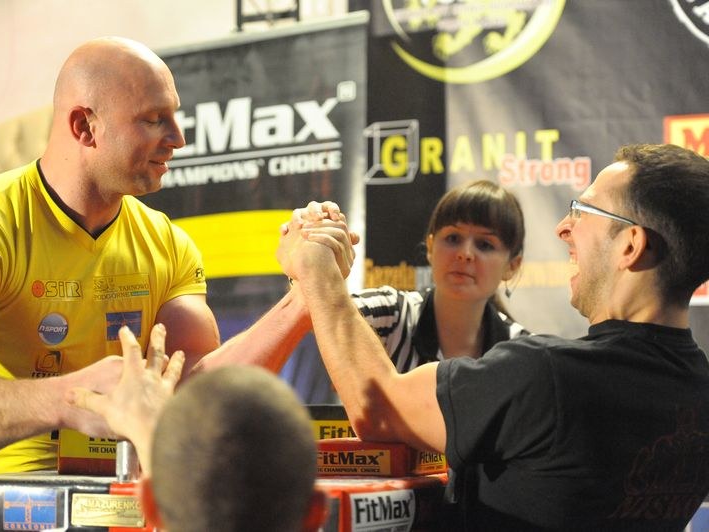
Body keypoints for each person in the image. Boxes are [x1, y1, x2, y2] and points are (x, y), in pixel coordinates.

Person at [0, 36, 315, 477]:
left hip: (122, 494)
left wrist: (306, 298)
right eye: (154, 120)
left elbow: (200, 394)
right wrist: (70, 399)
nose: (178, 139)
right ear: (85, 126)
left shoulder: (166, 242)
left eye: (174, 116)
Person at [278, 143, 709, 531]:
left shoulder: (546, 375)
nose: (564, 227)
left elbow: (380, 407)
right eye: (452, 238)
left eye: (584, 210)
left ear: (630, 245)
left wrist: (316, 266)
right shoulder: (699, 390)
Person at [70, 324, 327, 532]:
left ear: (149, 504)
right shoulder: (311, 510)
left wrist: (150, 432)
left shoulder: (156, 497)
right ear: (316, 512)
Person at [353, 179, 528, 373]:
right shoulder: (390, 316)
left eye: (485, 244)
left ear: (512, 266)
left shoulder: (525, 354)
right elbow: (327, 309)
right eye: (453, 238)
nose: (465, 253)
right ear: (430, 247)